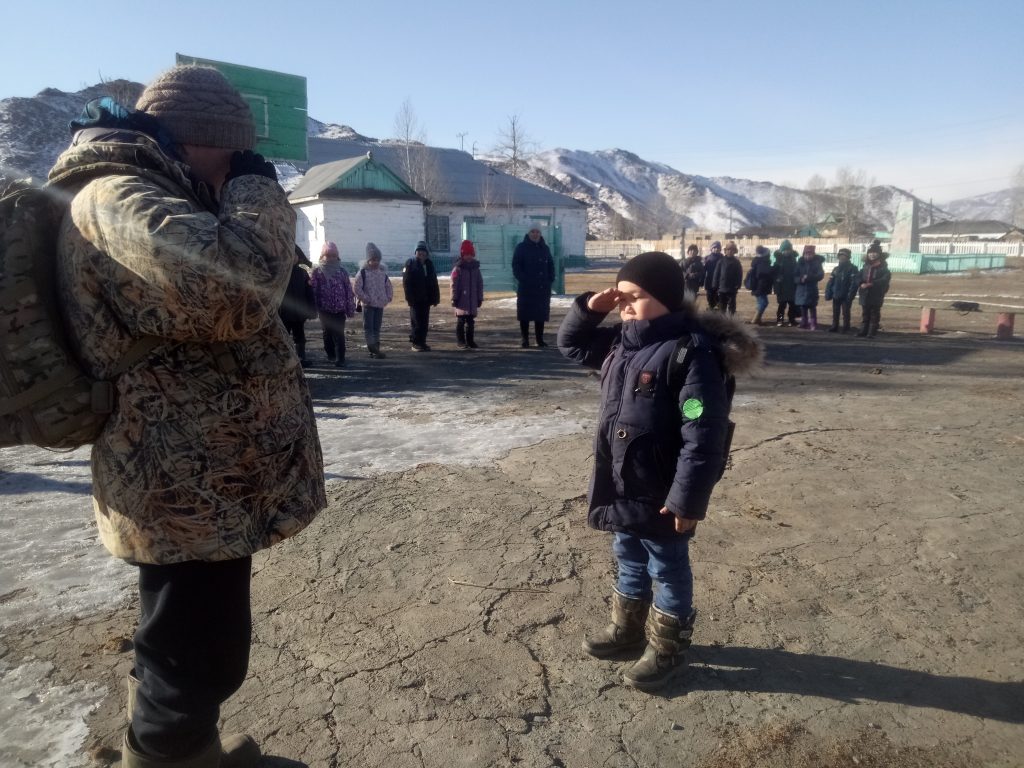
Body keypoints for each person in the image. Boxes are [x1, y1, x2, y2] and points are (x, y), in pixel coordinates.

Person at [52, 64, 325, 767]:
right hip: (177, 480)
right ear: (193, 138)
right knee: (188, 648)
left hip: (201, 477)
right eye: (231, 152)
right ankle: (167, 755)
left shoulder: (162, 194)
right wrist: (256, 193)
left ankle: (188, 749)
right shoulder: (119, 196)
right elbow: (233, 293)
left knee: (199, 638)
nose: (237, 165)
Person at [557, 251, 761, 692]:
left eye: (635, 297)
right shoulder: (621, 341)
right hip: (622, 482)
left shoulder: (691, 353)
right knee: (628, 555)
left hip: (665, 491)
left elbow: (702, 432)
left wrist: (687, 499)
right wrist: (590, 308)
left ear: (666, 298)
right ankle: (627, 629)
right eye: (620, 297)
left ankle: (667, 648)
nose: (625, 305)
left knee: (667, 566)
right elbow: (571, 345)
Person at [311, 241, 356, 366]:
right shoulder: (317, 272)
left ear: (337, 256)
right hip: (324, 309)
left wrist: (350, 308)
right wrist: (313, 308)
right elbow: (314, 290)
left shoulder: (342, 272)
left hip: (340, 309)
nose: (331, 258)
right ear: (322, 256)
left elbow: (348, 290)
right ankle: (331, 354)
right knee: (327, 333)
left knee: (339, 333)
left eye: (333, 255)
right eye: (328, 255)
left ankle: (340, 358)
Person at [512, 224, 555, 348]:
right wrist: (523, 279)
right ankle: (524, 339)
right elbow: (516, 265)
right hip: (527, 287)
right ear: (528, 233)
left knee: (540, 314)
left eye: (537, 232)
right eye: (532, 231)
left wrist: (550, 279)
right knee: (525, 314)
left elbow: (551, 265)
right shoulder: (521, 247)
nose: (535, 234)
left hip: (542, 287)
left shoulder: (545, 248)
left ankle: (539, 340)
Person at [353, 242, 394, 358]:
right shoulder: (363, 273)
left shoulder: (382, 274)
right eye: (373, 260)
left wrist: (388, 298)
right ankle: (372, 348)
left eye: (377, 260)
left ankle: (376, 348)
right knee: (369, 328)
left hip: (380, 305)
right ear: (368, 260)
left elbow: (388, 286)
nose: (375, 262)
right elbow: (356, 288)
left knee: (376, 328)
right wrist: (365, 299)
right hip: (368, 305)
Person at [279, 245, 316, 366]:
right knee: (283, 337)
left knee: (299, 337)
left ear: (298, 257)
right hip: (283, 313)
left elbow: (309, 292)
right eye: (290, 255)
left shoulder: (302, 273)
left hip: (299, 313)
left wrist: (311, 309)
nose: (292, 257)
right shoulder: (280, 273)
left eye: (294, 255)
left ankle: (301, 359)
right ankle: (284, 360)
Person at [403, 240, 440, 351]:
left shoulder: (429, 264)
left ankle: (422, 342)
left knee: (424, 322)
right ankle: (415, 343)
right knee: (416, 322)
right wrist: (409, 298)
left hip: (426, 299)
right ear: (415, 252)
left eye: (423, 251)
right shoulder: (410, 263)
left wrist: (436, 297)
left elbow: (434, 281)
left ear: (427, 253)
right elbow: (406, 282)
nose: (421, 253)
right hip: (415, 299)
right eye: (419, 251)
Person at [451, 239, 484, 349]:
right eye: (466, 254)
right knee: (461, 321)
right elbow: (453, 284)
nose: (468, 257)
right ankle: (461, 341)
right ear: (462, 255)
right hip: (461, 300)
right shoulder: (458, 268)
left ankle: (470, 341)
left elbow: (479, 284)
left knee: (471, 322)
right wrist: (454, 298)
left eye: (470, 254)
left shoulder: (476, 269)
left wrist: (479, 298)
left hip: (472, 301)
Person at [857, 240, 892, 338]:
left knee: (874, 313)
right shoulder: (865, 266)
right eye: (870, 253)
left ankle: (872, 332)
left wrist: (872, 284)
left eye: (875, 253)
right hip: (865, 293)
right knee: (865, 313)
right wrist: (861, 283)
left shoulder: (883, 268)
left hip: (876, 293)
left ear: (879, 254)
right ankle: (863, 331)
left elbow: (885, 279)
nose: (872, 255)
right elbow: (858, 276)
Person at [824, 248, 860, 333]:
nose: (842, 257)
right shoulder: (836, 269)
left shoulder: (853, 268)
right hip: (836, 294)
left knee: (846, 312)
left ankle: (846, 327)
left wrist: (850, 294)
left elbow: (854, 283)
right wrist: (828, 292)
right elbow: (830, 282)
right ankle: (834, 326)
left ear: (848, 257)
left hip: (846, 295)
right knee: (835, 312)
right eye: (840, 256)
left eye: (844, 256)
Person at [794, 244, 825, 330]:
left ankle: (813, 323)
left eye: (810, 254)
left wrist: (810, 277)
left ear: (813, 254)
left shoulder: (817, 263)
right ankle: (804, 322)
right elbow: (794, 276)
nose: (808, 256)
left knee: (812, 307)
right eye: (806, 254)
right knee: (803, 307)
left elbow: (820, 275)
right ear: (803, 254)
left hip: (812, 289)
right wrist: (800, 279)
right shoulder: (800, 263)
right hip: (801, 289)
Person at [711, 241, 744, 315]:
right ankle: (722, 319)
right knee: (722, 305)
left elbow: (739, 274)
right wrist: (715, 285)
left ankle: (731, 318)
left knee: (732, 305)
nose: (730, 251)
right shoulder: (721, 261)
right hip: (722, 287)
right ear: (725, 251)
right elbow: (716, 274)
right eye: (728, 250)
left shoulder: (736, 262)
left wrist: (738, 285)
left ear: (734, 251)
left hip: (732, 288)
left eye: (732, 250)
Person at [745, 245, 775, 325]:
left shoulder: (758, 261)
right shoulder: (762, 262)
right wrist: (772, 270)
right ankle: (755, 320)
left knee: (761, 302)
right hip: (760, 286)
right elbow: (761, 273)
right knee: (763, 303)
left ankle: (758, 319)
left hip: (758, 286)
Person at [772, 239, 799, 326]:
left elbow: (797, 271)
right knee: (782, 305)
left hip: (792, 286)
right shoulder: (778, 261)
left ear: (791, 250)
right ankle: (780, 320)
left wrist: (796, 279)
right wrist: (777, 278)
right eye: (784, 250)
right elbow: (773, 273)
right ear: (781, 251)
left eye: (788, 250)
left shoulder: (794, 260)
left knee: (792, 305)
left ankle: (791, 320)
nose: (786, 252)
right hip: (782, 287)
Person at [702, 241, 723, 310]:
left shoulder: (723, 258)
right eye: (714, 247)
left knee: (719, 297)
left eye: (718, 248)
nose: (716, 249)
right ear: (711, 249)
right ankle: (711, 307)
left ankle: (719, 309)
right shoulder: (707, 258)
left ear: (720, 249)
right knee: (710, 296)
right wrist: (701, 280)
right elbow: (703, 270)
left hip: (719, 281)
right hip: (709, 280)